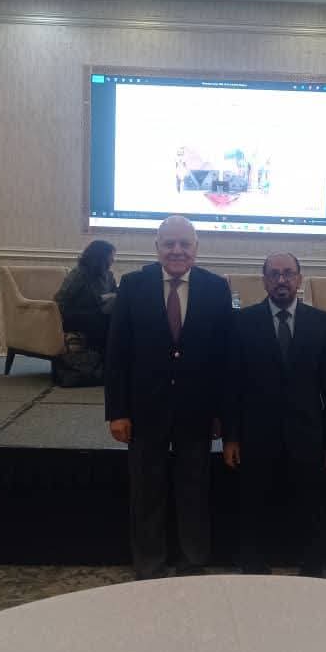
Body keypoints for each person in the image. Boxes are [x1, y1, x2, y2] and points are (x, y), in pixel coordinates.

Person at [105, 215, 232, 579]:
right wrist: (117, 411)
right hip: (145, 409)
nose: (177, 251)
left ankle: (193, 561)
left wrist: (221, 413)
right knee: (147, 491)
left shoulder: (216, 288)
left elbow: (224, 357)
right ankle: (149, 564)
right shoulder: (133, 285)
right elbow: (117, 353)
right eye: (169, 243)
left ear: (196, 248)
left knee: (194, 489)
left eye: (184, 244)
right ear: (157, 247)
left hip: (197, 411)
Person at [222, 252, 326, 576]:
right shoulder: (242, 322)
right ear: (264, 281)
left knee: (311, 504)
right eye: (274, 274)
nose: (281, 280)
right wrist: (231, 437)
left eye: (288, 273)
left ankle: (313, 567)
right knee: (253, 503)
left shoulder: (322, 322)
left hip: (308, 433)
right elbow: (232, 384)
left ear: (299, 279)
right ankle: (252, 565)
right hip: (256, 433)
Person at [54, 240, 117, 352]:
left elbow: (116, 294)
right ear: (101, 256)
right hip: (75, 315)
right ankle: (99, 357)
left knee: (118, 319)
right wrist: (101, 299)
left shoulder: (109, 275)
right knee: (104, 321)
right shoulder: (79, 274)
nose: (113, 259)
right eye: (111, 256)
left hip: (99, 313)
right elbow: (60, 300)